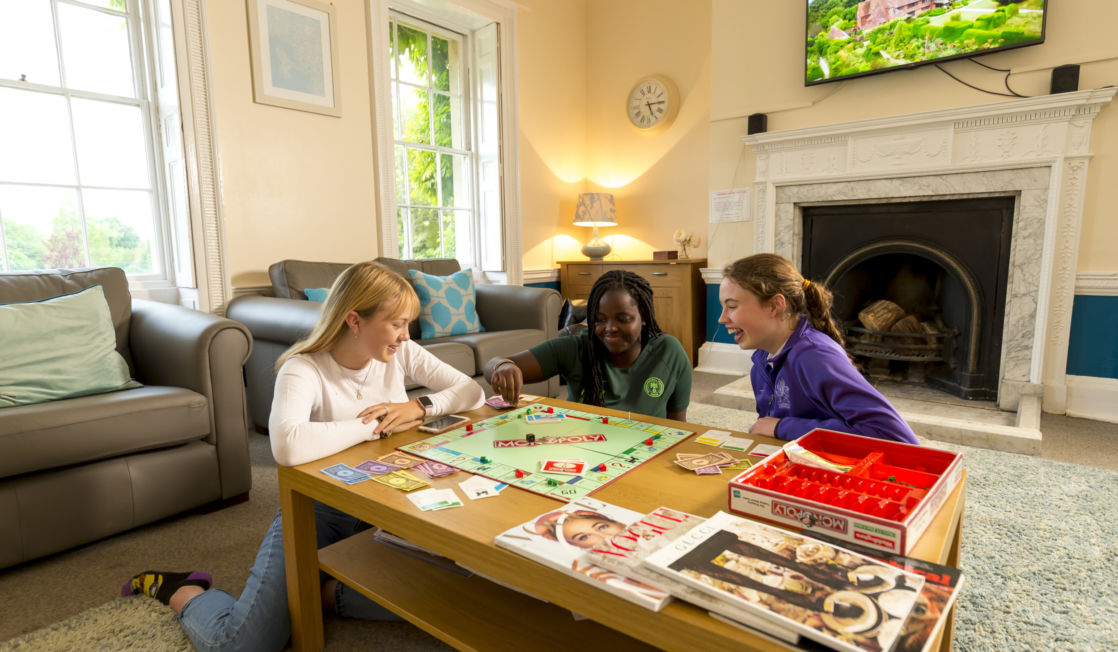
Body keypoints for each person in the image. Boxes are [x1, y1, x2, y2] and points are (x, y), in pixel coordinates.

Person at [121, 261, 484, 652]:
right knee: (242, 646)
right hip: (317, 510)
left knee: (451, 591)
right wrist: (375, 424)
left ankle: (323, 592)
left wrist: (418, 407)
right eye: (396, 323)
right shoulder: (302, 368)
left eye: (407, 323)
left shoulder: (400, 352)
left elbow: (471, 392)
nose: (405, 335)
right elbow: (287, 445)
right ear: (354, 321)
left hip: (385, 500)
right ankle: (184, 590)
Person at [718, 254, 918, 444]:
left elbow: (893, 436)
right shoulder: (762, 361)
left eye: (732, 307)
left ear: (774, 306)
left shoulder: (814, 356)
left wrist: (782, 427)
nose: (722, 318)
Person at [483, 270, 691, 421]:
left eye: (623, 318)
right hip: (584, 452)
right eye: (600, 319)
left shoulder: (669, 352)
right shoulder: (576, 347)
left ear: (644, 317)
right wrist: (502, 367)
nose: (610, 328)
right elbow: (495, 363)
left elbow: (677, 425)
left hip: (645, 455)